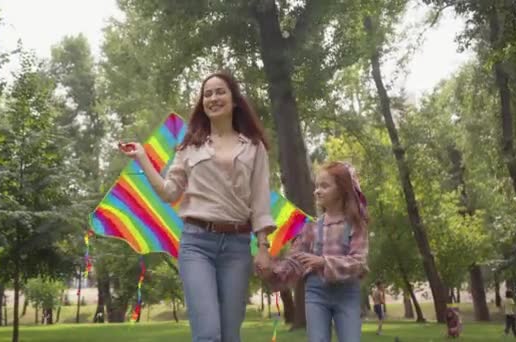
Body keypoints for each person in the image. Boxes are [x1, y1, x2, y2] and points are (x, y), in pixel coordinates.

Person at [119, 71, 275, 342]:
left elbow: (260, 200)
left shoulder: (254, 147)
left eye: (220, 92)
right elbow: (169, 193)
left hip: (237, 247)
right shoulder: (190, 146)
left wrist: (263, 247)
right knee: (208, 335)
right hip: (196, 244)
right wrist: (143, 157)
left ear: (234, 100)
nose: (213, 98)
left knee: (229, 336)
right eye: (208, 93)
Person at [257, 161, 369, 342]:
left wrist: (324, 262)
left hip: (347, 293)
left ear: (341, 189)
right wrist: (272, 271)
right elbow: (295, 262)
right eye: (316, 186)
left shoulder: (356, 225)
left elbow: (359, 263)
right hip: (316, 293)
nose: (317, 191)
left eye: (324, 186)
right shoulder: (310, 228)